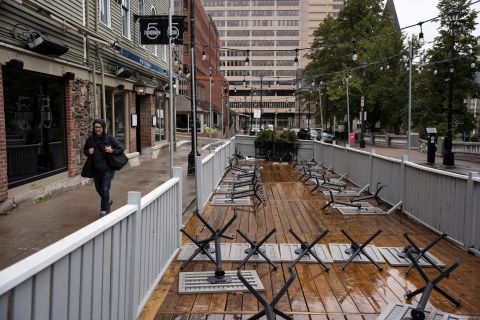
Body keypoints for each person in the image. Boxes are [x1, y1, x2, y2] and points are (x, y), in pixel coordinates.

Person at [83, 118, 124, 216]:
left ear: (103, 128)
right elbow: (85, 151)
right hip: (96, 169)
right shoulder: (90, 140)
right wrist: (88, 152)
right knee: (99, 190)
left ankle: (103, 211)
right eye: (96, 127)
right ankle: (107, 201)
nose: (97, 129)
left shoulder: (109, 138)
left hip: (108, 169)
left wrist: (112, 150)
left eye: (99, 127)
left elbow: (121, 148)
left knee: (105, 189)